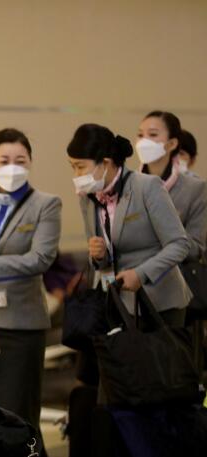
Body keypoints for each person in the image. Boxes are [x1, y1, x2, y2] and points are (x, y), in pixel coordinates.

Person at [0, 128, 61, 427]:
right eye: (4, 160)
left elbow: (40, 258)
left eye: (20, 160)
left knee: (18, 411)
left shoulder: (45, 204)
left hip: (21, 323)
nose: (12, 167)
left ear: (30, 163)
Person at [67, 123, 190, 325]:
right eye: (72, 167)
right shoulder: (87, 197)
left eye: (80, 166)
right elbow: (101, 260)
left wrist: (141, 275)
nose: (76, 175)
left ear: (105, 163)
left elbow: (179, 244)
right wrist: (99, 256)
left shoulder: (146, 186)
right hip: (116, 304)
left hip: (160, 303)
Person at [136, 111, 207, 262]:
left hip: (175, 278)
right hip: (132, 277)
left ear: (172, 143)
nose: (144, 142)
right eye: (140, 135)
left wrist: (163, 234)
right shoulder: (129, 185)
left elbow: (196, 247)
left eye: (153, 135)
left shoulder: (194, 188)